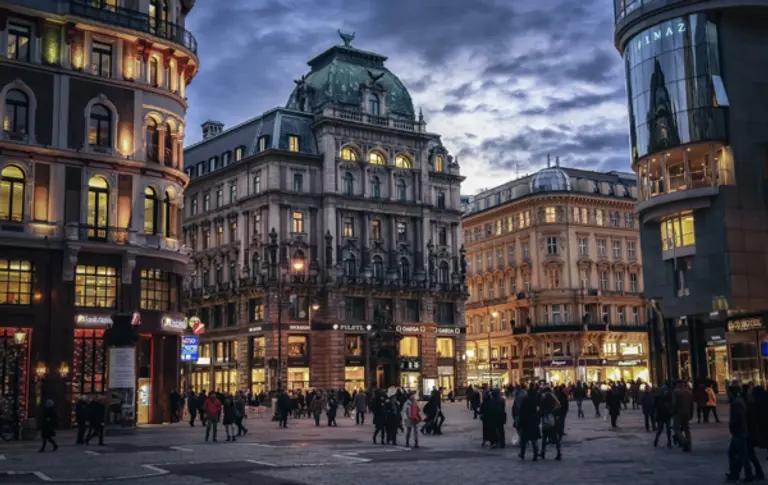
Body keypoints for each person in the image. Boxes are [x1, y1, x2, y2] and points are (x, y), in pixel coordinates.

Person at [727, 383, 755, 482]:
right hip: (740, 431)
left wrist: (734, 428)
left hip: (739, 432)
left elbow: (739, 418)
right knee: (736, 454)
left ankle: (745, 474)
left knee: (741, 455)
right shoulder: (739, 401)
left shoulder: (737, 403)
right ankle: (735, 473)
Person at [518, 385, 541, 461]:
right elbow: (536, 412)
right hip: (533, 422)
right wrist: (537, 421)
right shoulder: (534, 402)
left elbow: (521, 413)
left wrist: (519, 424)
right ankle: (535, 455)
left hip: (525, 422)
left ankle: (522, 454)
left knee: (524, 440)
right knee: (534, 440)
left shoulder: (524, 402)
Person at [538, 385, 562, 460]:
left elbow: (541, 406)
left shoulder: (543, 396)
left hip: (545, 417)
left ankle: (543, 452)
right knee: (555, 436)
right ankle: (558, 453)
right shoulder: (553, 395)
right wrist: (553, 410)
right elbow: (559, 405)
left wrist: (540, 414)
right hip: (552, 417)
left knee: (545, 436)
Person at [671, 380, 694, 452]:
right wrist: (691, 414)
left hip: (678, 413)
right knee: (687, 429)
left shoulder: (675, 392)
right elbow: (691, 404)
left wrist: (672, 411)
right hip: (687, 413)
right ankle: (689, 443)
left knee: (676, 428)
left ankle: (684, 441)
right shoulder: (689, 392)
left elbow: (674, 404)